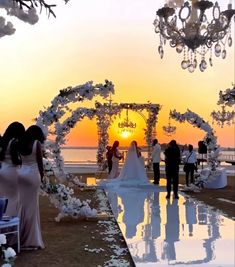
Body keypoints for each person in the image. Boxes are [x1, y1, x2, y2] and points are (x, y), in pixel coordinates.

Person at [18, 125, 45, 250]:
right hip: (33, 177)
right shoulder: (36, 144)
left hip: (21, 176)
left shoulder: (21, 143)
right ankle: (31, 241)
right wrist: (43, 177)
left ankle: (20, 237)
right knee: (32, 209)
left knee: (22, 207)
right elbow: (40, 163)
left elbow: (19, 161)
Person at [0, 122, 25, 217]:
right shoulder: (14, 142)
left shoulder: (3, 141)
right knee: (13, 198)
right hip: (12, 172)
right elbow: (15, 160)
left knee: (3, 198)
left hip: (2, 171)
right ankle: (9, 221)